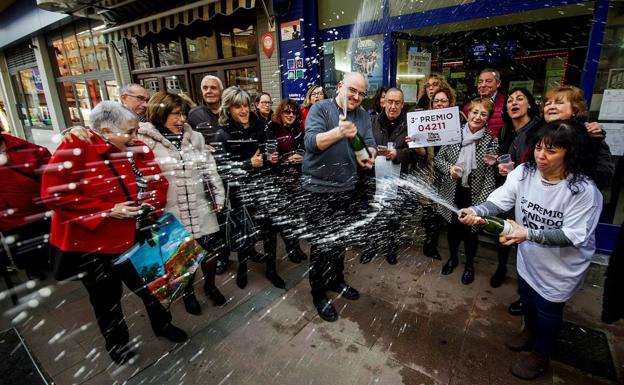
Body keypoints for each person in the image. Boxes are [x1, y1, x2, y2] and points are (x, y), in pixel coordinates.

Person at [41, 101, 187, 365]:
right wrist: (107, 210)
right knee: (106, 300)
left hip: (137, 237)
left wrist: (150, 209)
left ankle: (163, 325)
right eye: (129, 132)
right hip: (93, 246)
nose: (134, 136)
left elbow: (158, 182)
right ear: (106, 132)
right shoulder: (76, 148)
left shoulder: (135, 147)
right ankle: (117, 343)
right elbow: (54, 194)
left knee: (152, 287)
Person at [458, 120, 602, 380]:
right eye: (538, 147)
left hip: (561, 267)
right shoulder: (525, 172)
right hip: (530, 257)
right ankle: (529, 333)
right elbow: (501, 199)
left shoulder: (583, 191)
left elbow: (572, 235)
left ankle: (541, 354)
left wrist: (528, 233)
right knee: (527, 298)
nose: (541, 156)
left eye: (551, 150)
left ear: (571, 152)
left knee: (548, 309)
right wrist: (476, 211)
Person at [139, 91, 227, 314]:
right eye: (175, 114)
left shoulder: (194, 137)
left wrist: (218, 196)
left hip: (201, 205)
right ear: (160, 113)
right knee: (183, 258)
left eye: (183, 114)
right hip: (171, 211)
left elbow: (210, 169)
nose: (182, 120)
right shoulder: (142, 140)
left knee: (210, 251)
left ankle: (210, 286)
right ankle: (188, 293)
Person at [302, 72, 376, 322]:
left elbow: (369, 142)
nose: (356, 96)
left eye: (361, 93)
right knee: (322, 245)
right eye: (352, 90)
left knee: (340, 241)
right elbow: (312, 143)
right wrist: (339, 132)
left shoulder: (363, 115)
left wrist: (370, 155)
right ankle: (318, 292)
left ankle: (336, 280)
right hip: (319, 190)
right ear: (341, 86)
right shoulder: (320, 108)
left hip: (348, 188)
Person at [215, 86, 285, 290]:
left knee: (270, 232)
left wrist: (274, 159)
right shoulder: (223, 135)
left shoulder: (262, 127)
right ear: (228, 109)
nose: (243, 110)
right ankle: (243, 267)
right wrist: (247, 164)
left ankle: (272, 269)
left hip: (264, 189)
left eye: (245, 105)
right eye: (238, 107)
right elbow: (221, 169)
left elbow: (271, 152)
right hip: (240, 192)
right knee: (244, 233)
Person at [435, 97, 497, 285]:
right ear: (468, 114)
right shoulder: (453, 135)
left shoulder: (491, 142)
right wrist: (450, 169)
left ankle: (469, 265)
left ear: (488, 118)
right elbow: (438, 160)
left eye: (483, 114)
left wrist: (483, 203)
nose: (477, 117)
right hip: (452, 192)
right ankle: (453, 258)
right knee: (453, 230)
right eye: (474, 112)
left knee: (471, 233)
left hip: (475, 195)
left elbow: (490, 176)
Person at [360, 87, 425, 264]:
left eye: (397, 102)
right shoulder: (371, 121)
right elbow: (363, 147)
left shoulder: (411, 125)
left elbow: (417, 154)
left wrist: (398, 154)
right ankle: (371, 246)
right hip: (373, 178)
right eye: (389, 101)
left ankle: (391, 247)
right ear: (384, 102)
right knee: (373, 214)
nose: (393, 106)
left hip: (397, 179)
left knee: (393, 216)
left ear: (403, 105)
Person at [489, 87, 541, 289]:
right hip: (511, 192)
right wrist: (498, 164)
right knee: (506, 231)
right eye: (510, 100)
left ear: (529, 104)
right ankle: (501, 268)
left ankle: (527, 287)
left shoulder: (539, 131)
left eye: (520, 99)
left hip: (532, 196)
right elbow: (508, 159)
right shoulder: (506, 130)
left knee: (528, 240)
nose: (514, 103)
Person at [186, 75, 232, 274]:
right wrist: (202, 147)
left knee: (236, 214)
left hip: (232, 171)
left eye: (213, 87)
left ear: (221, 91)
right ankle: (223, 256)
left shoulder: (229, 110)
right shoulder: (194, 115)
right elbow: (185, 141)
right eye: (205, 87)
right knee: (218, 217)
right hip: (209, 176)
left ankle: (242, 247)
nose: (209, 91)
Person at [0, 133, 51, 279]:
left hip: (36, 206)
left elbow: (48, 166)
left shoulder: (22, 146)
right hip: (8, 214)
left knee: (43, 236)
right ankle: (32, 270)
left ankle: (48, 262)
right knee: (20, 245)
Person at [266, 98, 307, 263]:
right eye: (287, 111)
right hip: (279, 180)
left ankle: (295, 246)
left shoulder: (297, 128)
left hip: (296, 179)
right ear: (280, 112)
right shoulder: (272, 128)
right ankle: (291, 247)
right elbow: (270, 154)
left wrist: (302, 155)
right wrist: (286, 159)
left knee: (296, 215)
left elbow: (304, 147)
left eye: (294, 112)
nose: (291, 115)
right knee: (285, 217)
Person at [463, 69, 505, 139]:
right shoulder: (468, 106)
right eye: (480, 82)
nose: (483, 85)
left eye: (488, 81)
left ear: (498, 83)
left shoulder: (507, 103)